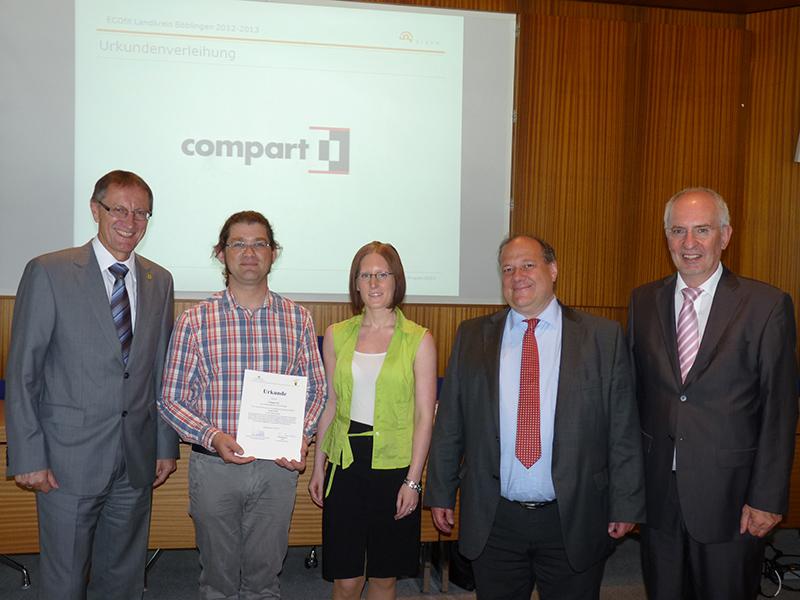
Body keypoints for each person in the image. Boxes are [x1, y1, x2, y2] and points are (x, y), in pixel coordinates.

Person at [425, 234, 645, 600]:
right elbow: (450, 425)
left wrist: (626, 502)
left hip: (573, 515)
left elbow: (622, 429)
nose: (517, 276)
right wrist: (441, 493)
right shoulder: (473, 336)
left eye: (528, 265)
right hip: (495, 519)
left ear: (553, 270)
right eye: (508, 269)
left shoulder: (602, 338)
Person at [4, 170, 178, 599]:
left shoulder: (159, 280)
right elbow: (24, 371)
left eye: (141, 213)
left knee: (123, 578)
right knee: (64, 581)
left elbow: (160, 370)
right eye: (119, 209)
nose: (130, 221)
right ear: (95, 210)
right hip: (67, 461)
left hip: (135, 460)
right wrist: (28, 455)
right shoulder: (49, 271)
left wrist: (164, 445)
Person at [627, 187, 798, 600]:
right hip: (658, 497)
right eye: (678, 231)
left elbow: (779, 410)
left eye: (702, 230)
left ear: (725, 235)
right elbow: (632, 401)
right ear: (667, 237)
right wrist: (626, 492)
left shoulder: (766, 305)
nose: (689, 243)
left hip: (732, 499)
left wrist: (767, 498)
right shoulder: (643, 301)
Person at [158, 210, 326, 599]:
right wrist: (213, 436)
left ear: (273, 253)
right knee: (217, 580)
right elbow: (171, 398)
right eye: (238, 244)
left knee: (265, 580)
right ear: (221, 253)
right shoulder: (195, 320)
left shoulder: (298, 319)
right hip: (215, 468)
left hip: (277, 470)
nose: (249, 252)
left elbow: (317, 390)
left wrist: (300, 435)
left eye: (259, 244)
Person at [308, 241, 437, 600]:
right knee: (346, 579)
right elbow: (330, 403)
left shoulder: (419, 340)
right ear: (356, 283)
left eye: (383, 274)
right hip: (345, 464)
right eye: (366, 275)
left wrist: (413, 481)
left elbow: (424, 416)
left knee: (384, 577)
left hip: (395, 468)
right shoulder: (337, 334)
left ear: (397, 280)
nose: (375, 283)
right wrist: (318, 466)